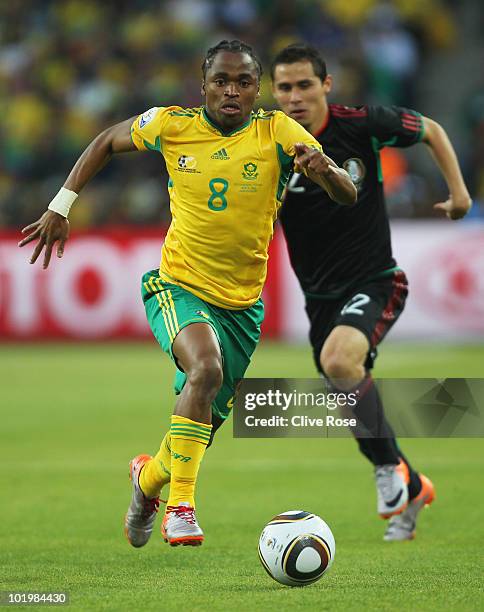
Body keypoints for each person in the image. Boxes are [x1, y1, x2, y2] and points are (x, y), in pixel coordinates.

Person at [18, 40, 356, 548]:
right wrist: (62, 204)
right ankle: (182, 508)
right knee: (205, 369)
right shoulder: (172, 124)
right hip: (177, 285)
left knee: (199, 425)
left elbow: (347, 193)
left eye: (243, 82)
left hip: (242, 305)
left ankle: (147, 482)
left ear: (257, 89)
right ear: (203, 86)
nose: (231, 91)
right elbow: (108, 139)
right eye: (221, 80)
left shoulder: (278, 130)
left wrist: (323, 170)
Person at [270, 43, 472, 541]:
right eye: (284, 88)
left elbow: (432, 130)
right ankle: (411, 482)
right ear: (273, 92)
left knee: (340, 364)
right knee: (349, 392)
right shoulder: (268, 143)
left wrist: (460, 192)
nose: (294, 97)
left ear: (326, 85)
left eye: (304, 85)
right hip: (317, 298)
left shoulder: (360, 124)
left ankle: (388, 475)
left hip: (375, 279)